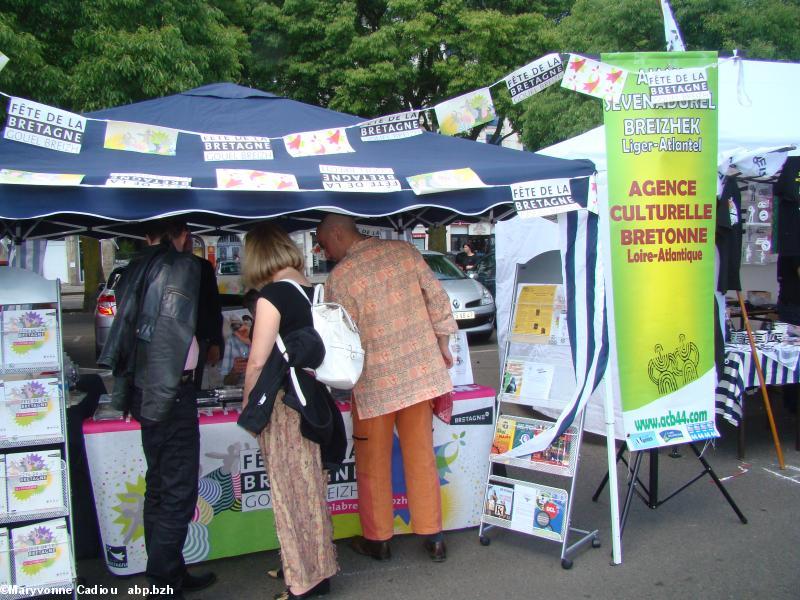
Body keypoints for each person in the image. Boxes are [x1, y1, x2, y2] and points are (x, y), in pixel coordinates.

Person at [316, 214, 457, 563]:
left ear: (338, 233)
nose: (323, 250)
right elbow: (438, 299)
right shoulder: (404, 251)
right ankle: (433, 536)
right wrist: (441, 344)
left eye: (324, 242)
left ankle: (378, 540)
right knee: (422, 457)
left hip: (374, 383)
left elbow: (339, 339)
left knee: (372, 463)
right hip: (419, 375)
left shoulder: (340, 277)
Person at [99, 218, 216, 599]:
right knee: (176, 490)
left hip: (146, 390)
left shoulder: (133, 268)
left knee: (160, 486)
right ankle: (164, 583)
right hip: (168, 392)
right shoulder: (183, 268)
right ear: (181, 234)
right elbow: (171, 338)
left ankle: (168, 574)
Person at [241, 222, 339, 600]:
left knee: (289, 493)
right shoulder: (313, 290)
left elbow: (256, 362)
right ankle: (318, 568)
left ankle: (302, 583)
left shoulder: (272, 296)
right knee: (310, 488)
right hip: (312, 398)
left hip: (284, 405)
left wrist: (249, 406)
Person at [220, 315, 251, 386]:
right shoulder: (232, 340)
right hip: (242, 391)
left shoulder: (273, 338)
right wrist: (235, 371)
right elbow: (226, 383)